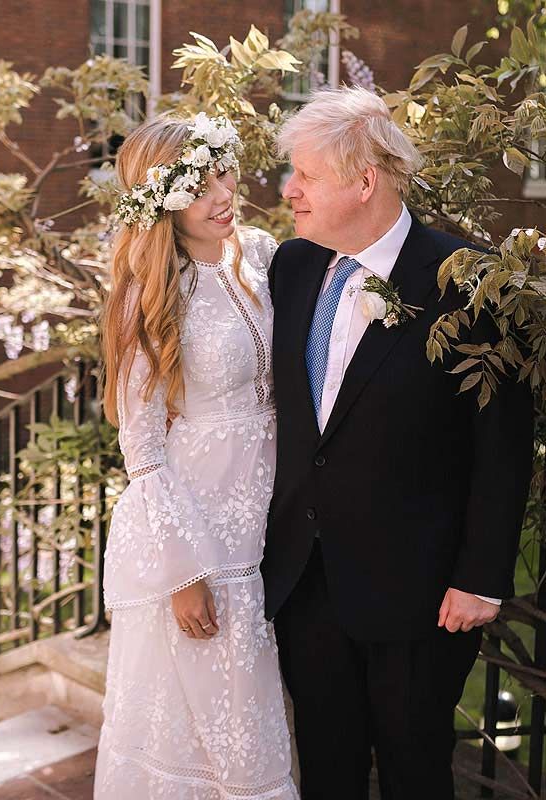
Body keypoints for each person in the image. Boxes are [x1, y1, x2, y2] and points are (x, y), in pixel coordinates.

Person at [260, 86, 534, 800]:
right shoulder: (291, 268)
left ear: (363, 181)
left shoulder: (469, 282)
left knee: (414, 770)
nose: (289, 191)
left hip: (421, 593)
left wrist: (479, 577)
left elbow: (501, 443)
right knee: (326, 766)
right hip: (305, 581)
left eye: (305, 176)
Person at [95, 112, 298, 800]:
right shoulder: (150, 294)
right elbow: (144, 449)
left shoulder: (264, 254)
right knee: (209, 721)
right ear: (160, 201)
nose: (222, 192)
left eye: (223, 170)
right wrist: (181, 572)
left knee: (259, 711)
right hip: (200, 533)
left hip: (274, 512)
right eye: (197, 183)